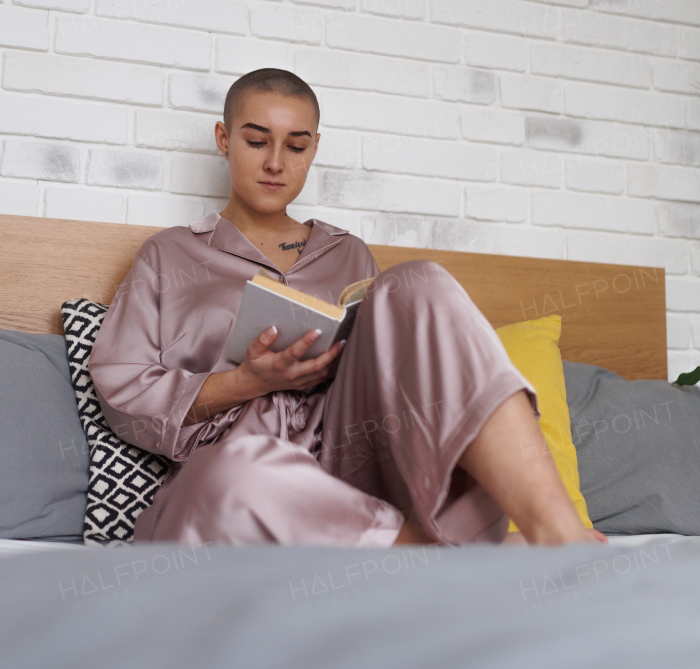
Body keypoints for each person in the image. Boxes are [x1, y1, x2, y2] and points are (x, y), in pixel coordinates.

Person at [88, 68, 604, 547]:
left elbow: (394, 374)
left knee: (417, 281)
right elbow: (123, 391)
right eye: (255, 140)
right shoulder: (169, 254)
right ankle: (419, 550)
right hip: (238, 472)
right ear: (224, 140)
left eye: (296, 145)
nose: (275, 162)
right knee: (234, 477)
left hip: (351, 452)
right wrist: (250, 381)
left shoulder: (348, 253)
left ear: (314, 149)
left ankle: (557, 532)